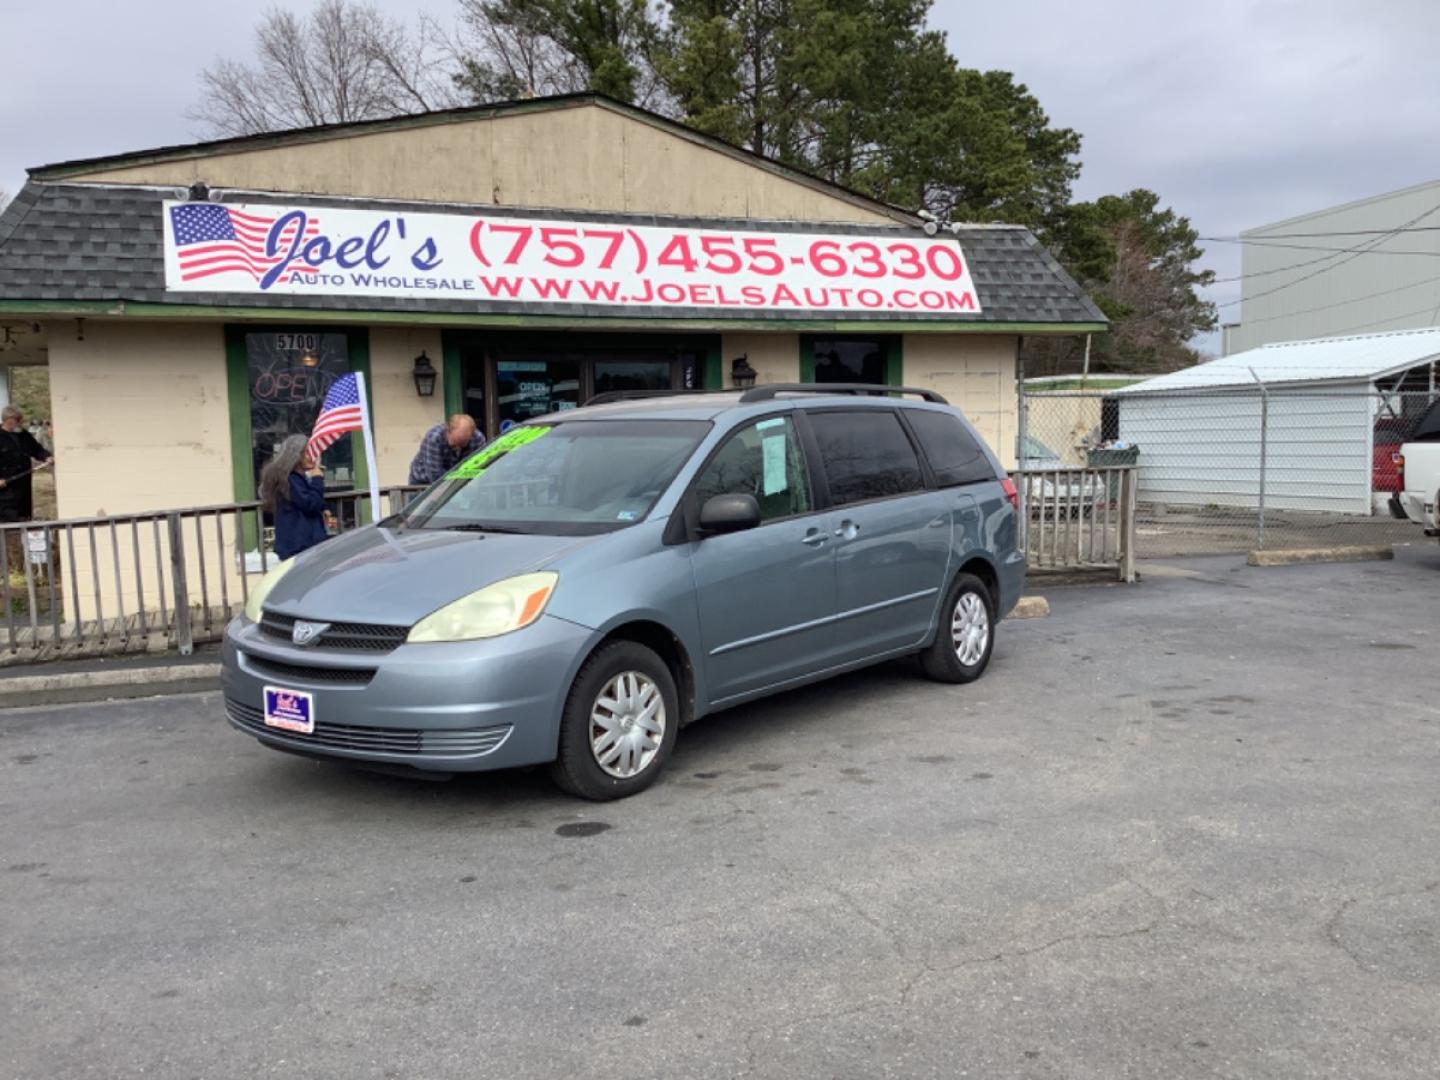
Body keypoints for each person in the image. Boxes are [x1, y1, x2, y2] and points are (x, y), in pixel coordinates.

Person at [259, 435, 329, 560]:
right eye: (307, 452)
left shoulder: (294, 479)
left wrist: (323, 507)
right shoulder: (290, 480)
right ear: (295, 456)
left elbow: (306, 499)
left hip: (301, 545)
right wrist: (317, 479)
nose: (312, 456)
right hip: (299, 547)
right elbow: (310, 504)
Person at [0, 405, 53, 526]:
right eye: (18, 420)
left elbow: (37, 449)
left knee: (24, 517)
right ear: (9, 420)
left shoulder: (24, 435)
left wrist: (46, 456)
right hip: (5, 489)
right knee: (8, 520)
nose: (21, 423)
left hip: (23, 486)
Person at [408, 413, 486, 485]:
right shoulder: (434, 438)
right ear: (448, 430)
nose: (458, 448)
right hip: (423, 481)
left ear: (471, 435)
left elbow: (478, 470)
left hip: (458, 481)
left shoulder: (478, 439)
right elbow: (435, 475)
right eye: (455, 443)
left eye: (463, 444)